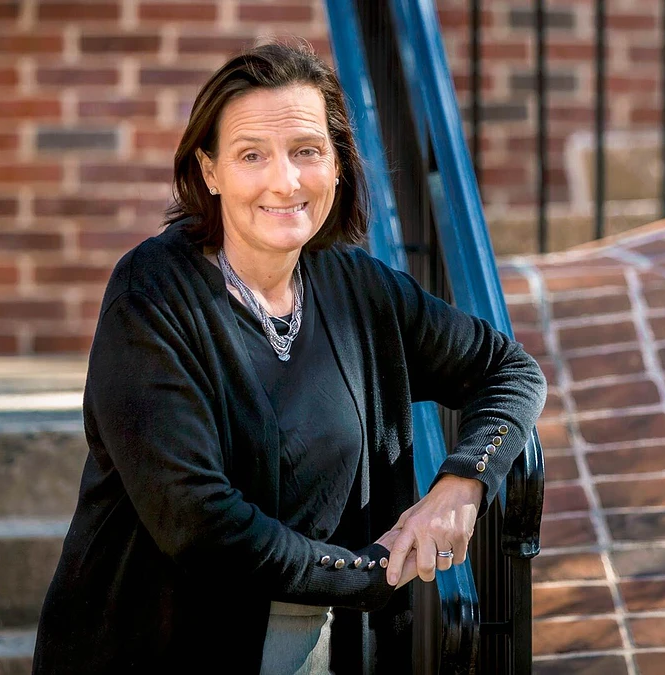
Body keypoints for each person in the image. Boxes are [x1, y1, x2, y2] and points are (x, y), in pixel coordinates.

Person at [32, 39, 546, 675]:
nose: (285, 180)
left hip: (329, 649)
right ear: (209, 171)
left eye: (307, 151)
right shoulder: (152, 295)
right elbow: (200, 524)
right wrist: (369, 574)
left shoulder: (360, 288)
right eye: (252, 155)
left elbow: (510, 370)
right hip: (164, 645)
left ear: (336, 165)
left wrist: (462, 483)